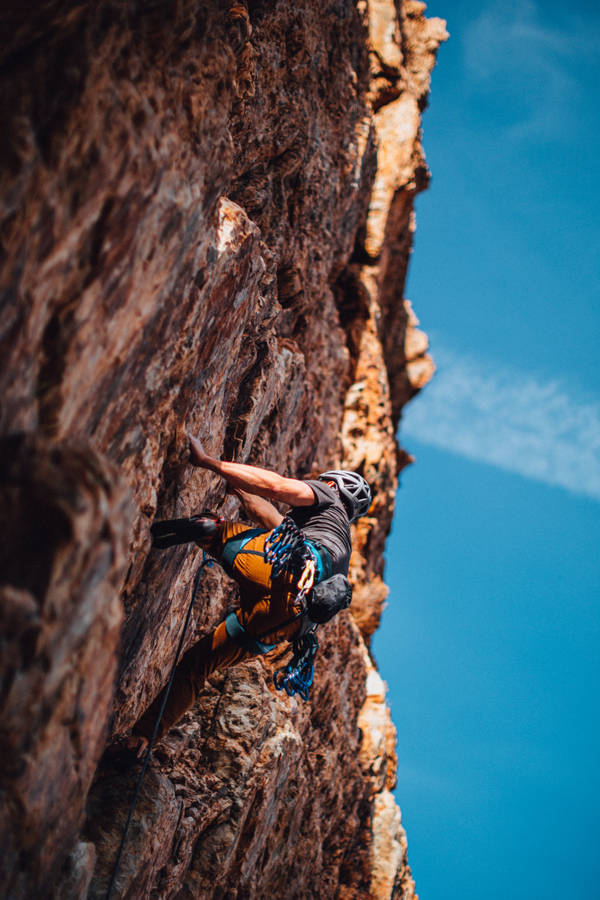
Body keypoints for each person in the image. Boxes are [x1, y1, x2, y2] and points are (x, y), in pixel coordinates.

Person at [130, 434, 371, 754]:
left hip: (282, 567)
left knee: (216, 532)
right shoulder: (339, 550)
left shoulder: (326, 497)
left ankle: (192, 531)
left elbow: (276, 487)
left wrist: (209, 463)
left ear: (335, 487)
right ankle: (142, 741)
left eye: (323, 481)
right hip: (286, 621)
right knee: (198, 665)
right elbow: (274, 522)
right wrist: (241, 491)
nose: (316, 482)